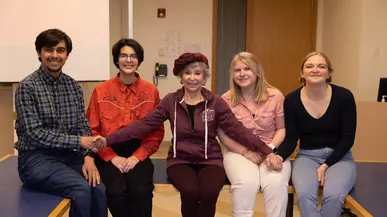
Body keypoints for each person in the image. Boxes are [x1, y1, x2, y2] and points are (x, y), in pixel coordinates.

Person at [94, 52, 277, 217]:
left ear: (204, 77)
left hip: (210, 159)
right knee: (190, 192)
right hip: (179, 160)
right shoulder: (170, 101)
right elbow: (142, 126)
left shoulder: (216, 102)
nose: (192, 78)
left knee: (208, 193)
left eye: (197, 73)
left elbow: (238, 130)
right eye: (187, 73)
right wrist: (107, 140)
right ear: (181, 77)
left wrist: (267, 151)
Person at [15, 28, 108, 217]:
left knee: (98, 189)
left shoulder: (74, 87)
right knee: (81, 189)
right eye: (49, 50)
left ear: (67, 55)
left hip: (69, 157)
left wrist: (88, 157)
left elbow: (82, 125)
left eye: (60, 50)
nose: (55, 55)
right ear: (39, 53)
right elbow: (35, 134)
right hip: (35, 159)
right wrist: (80, 142)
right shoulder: (27, 87)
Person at [86, 38, 165, 217]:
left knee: (141, 192)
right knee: (115, 192)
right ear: (116, 59)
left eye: (133, 56)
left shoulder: (151, 91)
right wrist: (112, 157)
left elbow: (156, 132)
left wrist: (137, 157)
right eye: (123, 55)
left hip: (138, 151)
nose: (128, 60)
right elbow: (92, 130)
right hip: (107, 149)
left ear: (139, 60)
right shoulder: (101, 90)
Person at [274, 52, 357, 217]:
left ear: (329, 73)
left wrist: (326, 165)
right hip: (307, 157)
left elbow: (348, 139)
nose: (315, 70)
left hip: (340, 157)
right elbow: (291, 139)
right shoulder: (291, 100)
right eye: (309, 66)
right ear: (302, 73)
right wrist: (278, 156)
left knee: (333, 196)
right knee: (304, 196)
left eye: (321, 66)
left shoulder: (344, 96)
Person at [218, 52, 291, 217]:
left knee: (276, 183)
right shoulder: (225, 100)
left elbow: (282, 128)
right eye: (237, 70)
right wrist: (246, 152)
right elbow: (223, 135)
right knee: (246, 183)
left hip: (272, 149)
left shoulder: (275, 96)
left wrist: (270, 150)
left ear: (257, 71)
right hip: (240, 152)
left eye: (247, 69)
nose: (242, 74)